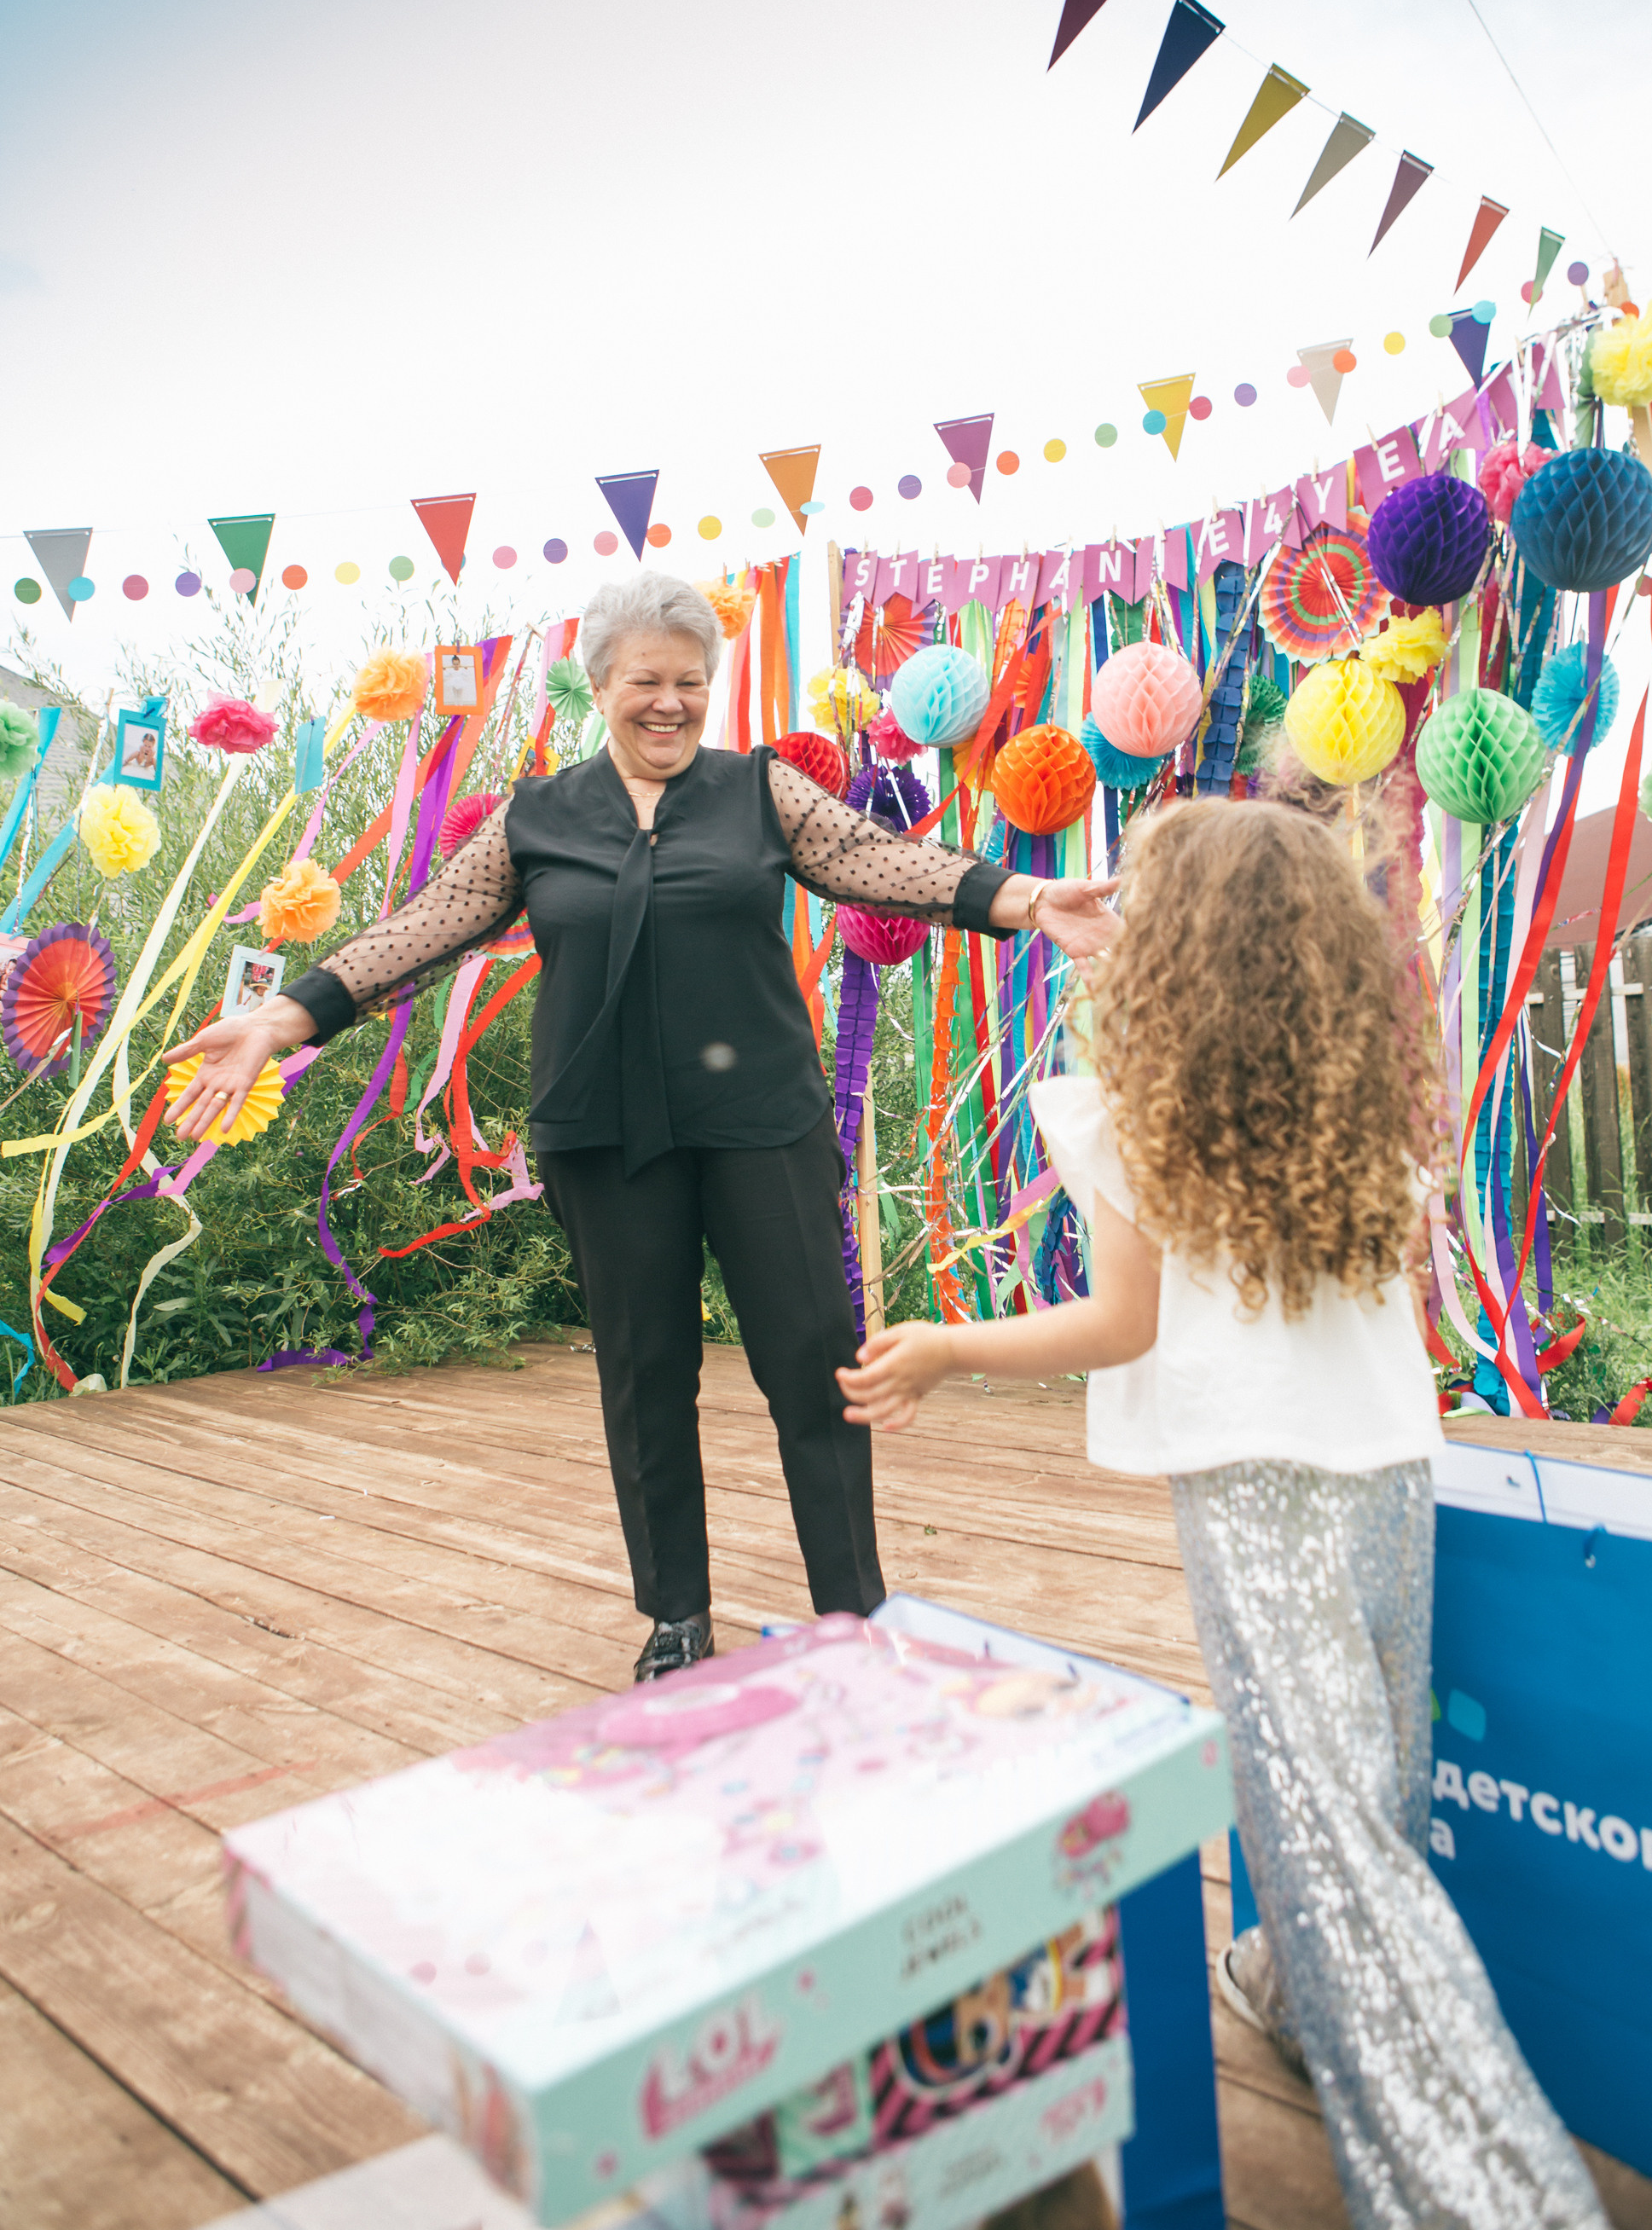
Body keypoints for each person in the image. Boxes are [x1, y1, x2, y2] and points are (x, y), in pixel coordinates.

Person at [838, 799, 1605, 2230]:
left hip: (1260, 1492)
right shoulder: (1370, 1095)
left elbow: (1121, 1325)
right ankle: (1302, 2010)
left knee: (1337, 1843)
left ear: (1177, 944)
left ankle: (1497, 2195)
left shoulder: (1140, 1107)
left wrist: (948, 1348)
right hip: (1389, 1472)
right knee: (1367, 1790)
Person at [161, 576, 1118, 1682]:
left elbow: (878, 862)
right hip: (602, 1135)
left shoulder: (760, 792)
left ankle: (851, 1610)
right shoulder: (537, 817)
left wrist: (1027, 899)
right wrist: (285, 1015)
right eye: (645, 682)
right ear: (604, 685)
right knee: (644, 1370)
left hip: (761, 1122)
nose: (668, 703)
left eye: (690, 684)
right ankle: (675, 1613)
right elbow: (426, 927)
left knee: (813, 1366)